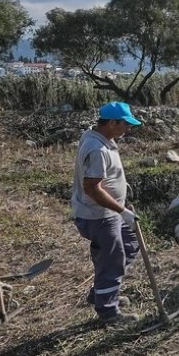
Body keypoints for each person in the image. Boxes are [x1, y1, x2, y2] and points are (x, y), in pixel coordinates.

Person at [72, 101, 142, 326]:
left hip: (111, 213)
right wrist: (121, 210)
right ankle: (109, 312)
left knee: (130, 244)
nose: (128, 128)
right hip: (100, 216)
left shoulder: (103, 140)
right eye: (125, 124)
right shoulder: (96, 148)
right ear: (112, 122)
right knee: (112, 261)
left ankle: (101, 292)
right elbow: (92, 188)